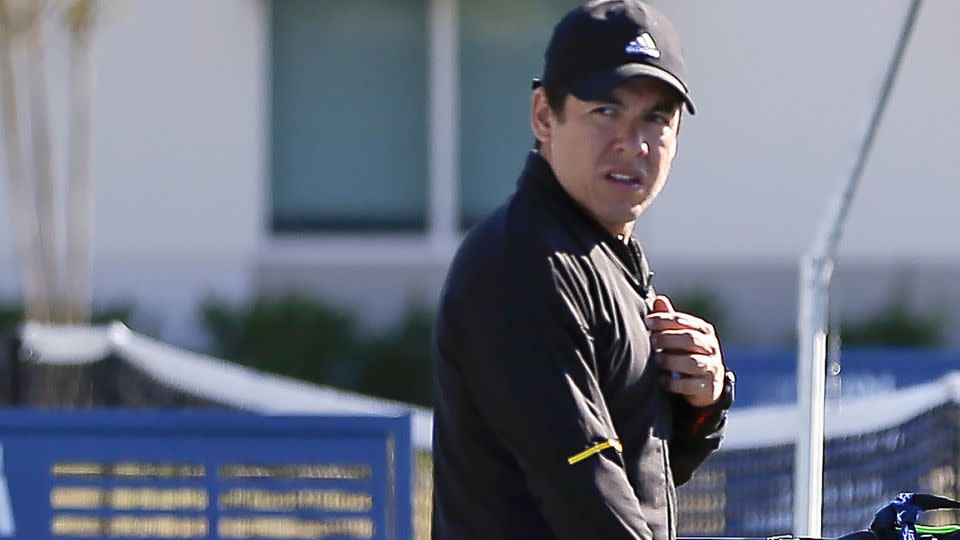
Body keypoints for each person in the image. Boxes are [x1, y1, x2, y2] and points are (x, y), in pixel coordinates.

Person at [430, 1, 736, 539]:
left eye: (656, 118)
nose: (633, 142)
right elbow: (584, 494)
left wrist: (700, 405)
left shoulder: (600, 255)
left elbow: (639, 477)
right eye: (605, 111)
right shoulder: (524, 265)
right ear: (545, 116)